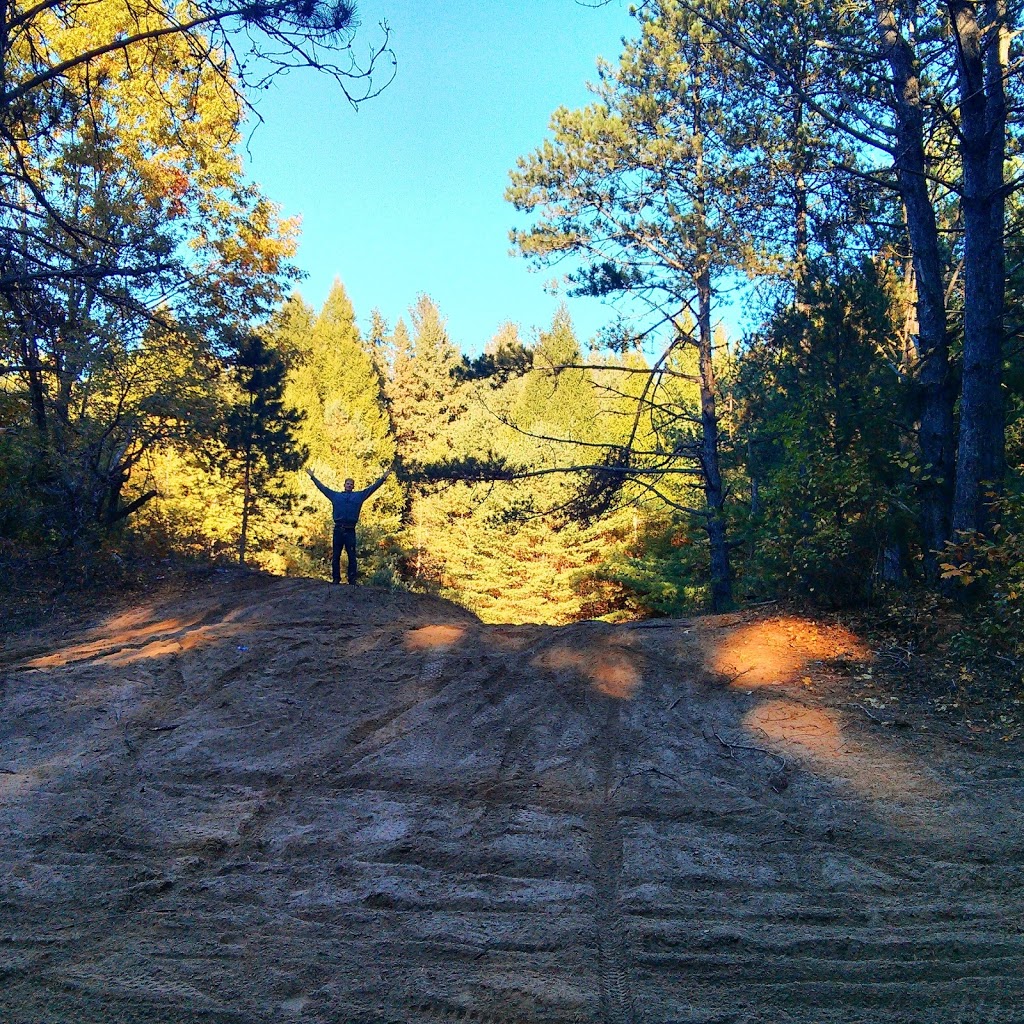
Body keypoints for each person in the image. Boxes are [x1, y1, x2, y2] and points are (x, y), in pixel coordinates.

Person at [307, 463, 392, 585]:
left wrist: (383, 478)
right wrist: (313, 477)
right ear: (344, 485)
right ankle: (336, 579)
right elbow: (323, 488)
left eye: (351, 484)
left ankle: (352, 580)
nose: (349, 485)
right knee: (336, 555)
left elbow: (373, 488)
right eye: (347, 484)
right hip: (338, 530)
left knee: (352, 556)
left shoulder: (359, 496)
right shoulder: (336, 496)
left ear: (353, 486)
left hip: (350, 530)